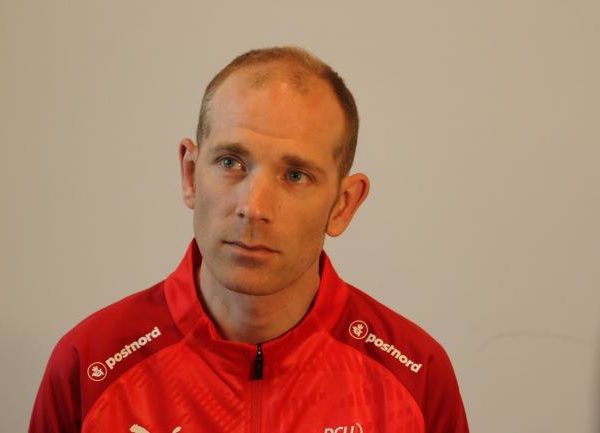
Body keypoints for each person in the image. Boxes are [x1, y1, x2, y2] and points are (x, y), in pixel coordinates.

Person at [29, 47, 469, 433]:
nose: (253, 207)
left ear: (343, 204)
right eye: (230, 162)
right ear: (190, 174)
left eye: (295, 175)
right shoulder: (90, 365)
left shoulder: (415, 376)